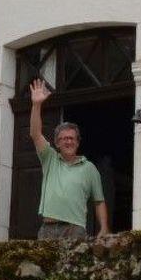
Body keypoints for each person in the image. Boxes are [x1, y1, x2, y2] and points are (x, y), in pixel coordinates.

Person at [27, 76, 109, 241]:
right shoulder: (49, 158)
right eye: (64, 138)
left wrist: (104, 227)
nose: (68, 141)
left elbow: (99, 201)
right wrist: (36, 105)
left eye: (71, 138)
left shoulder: (89, 168)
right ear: (57, 143)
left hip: (75, 229)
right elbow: (35, 134)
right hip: (48, 228)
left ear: (78, 142)